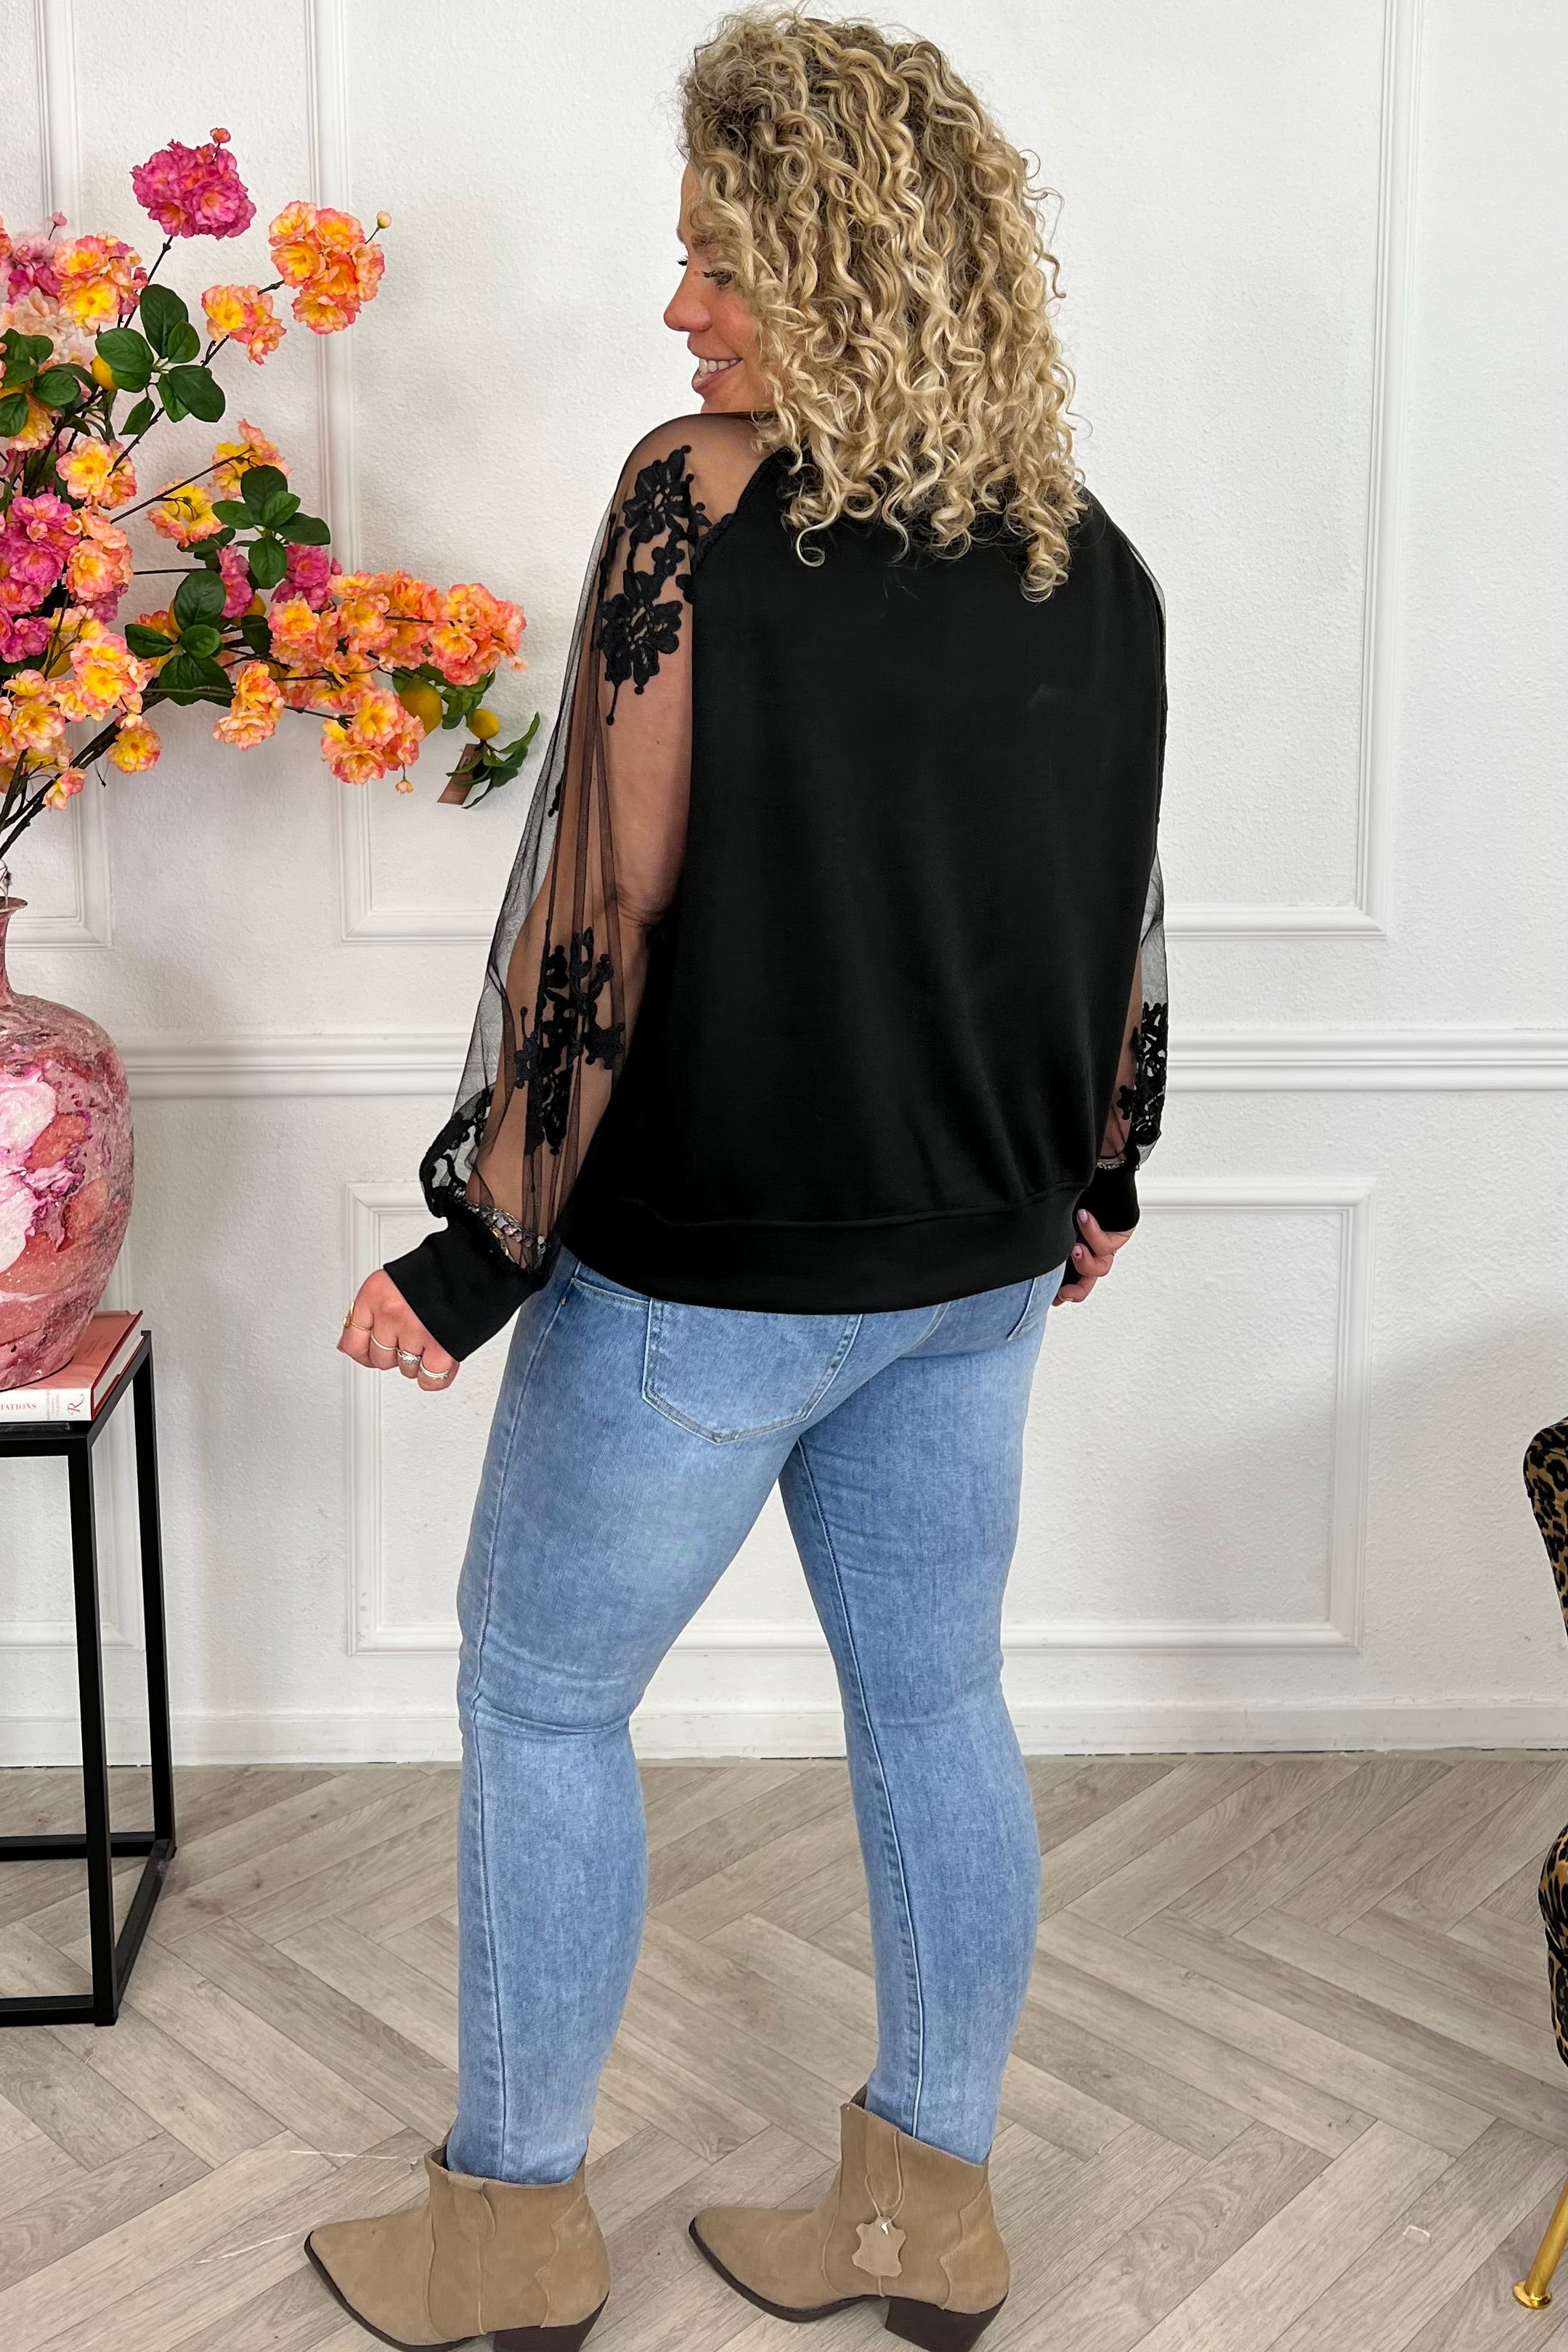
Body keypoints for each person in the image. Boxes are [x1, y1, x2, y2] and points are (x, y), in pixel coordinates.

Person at [309, 11, 1168, 2349]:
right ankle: (925, 2218)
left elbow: (606, 892)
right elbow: (1106, 919)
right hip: (974, 1267)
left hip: (706, 1280)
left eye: (722, 257)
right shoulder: (1089, 560)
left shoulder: (696, 498)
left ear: (846, 263)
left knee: (541, 1706)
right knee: (936, 1708)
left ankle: (505, 2233)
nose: (677, 306)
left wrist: (478, 1248)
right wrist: (1096, 1173)